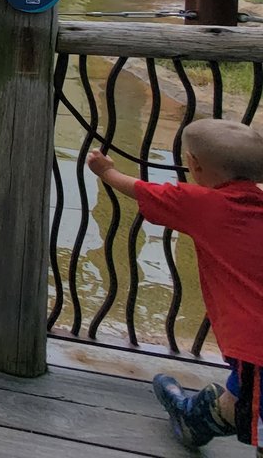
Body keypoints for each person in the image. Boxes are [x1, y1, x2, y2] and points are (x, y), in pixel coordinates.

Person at [87, 118, 263, 453]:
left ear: (194, 164)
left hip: (256, 345)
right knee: (244, 397)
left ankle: (193, 417)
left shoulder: (201, 204)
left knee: (256, 413)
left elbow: (142, 190)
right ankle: (194, 418)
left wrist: (105, 171)